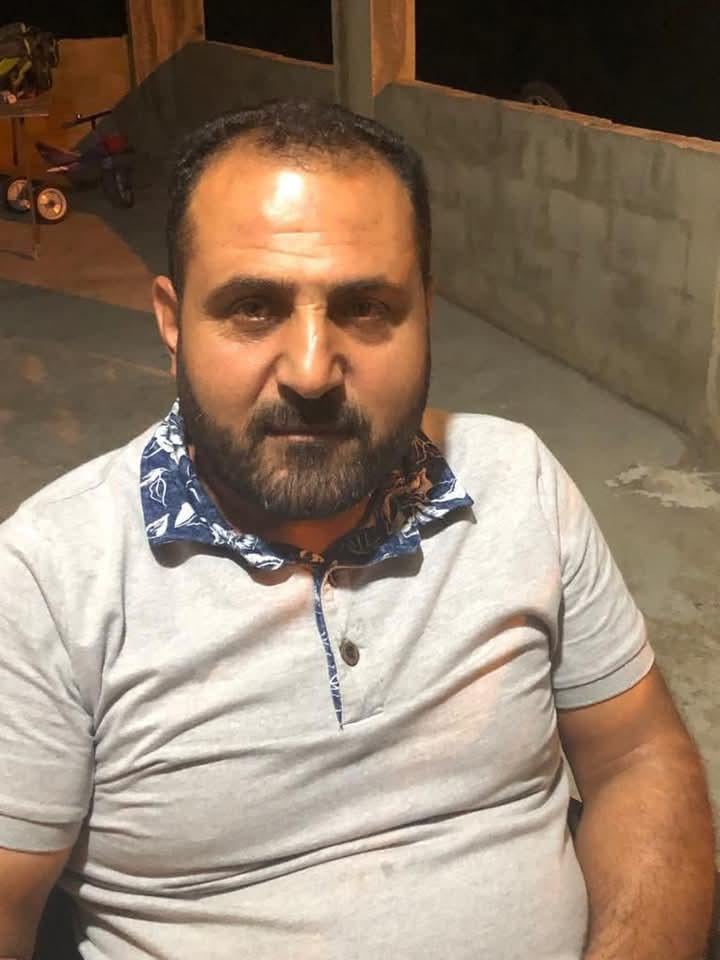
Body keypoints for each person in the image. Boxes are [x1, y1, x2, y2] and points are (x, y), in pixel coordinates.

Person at [0, 98, 714, 960]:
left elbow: (639, 757)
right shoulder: (50, 578)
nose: (311, 372)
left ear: (426, 313)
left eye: (367, 308)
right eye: (253, 306)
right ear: (171, 322)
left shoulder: (516, 483)